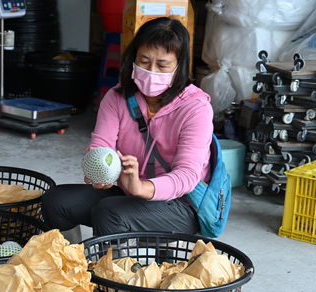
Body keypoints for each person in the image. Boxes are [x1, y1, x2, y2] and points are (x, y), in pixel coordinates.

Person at [42, 17, 212, 237]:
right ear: (133, 58)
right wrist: (99, 171)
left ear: (179, 67)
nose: (151, 71)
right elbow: (100, 145)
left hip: (179, 205)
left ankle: (112, 270)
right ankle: (70, 263)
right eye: (143, 61)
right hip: (126, 191)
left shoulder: (196, 108)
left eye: (162, 65)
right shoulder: (116, 97)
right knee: (56, 200)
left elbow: (187, 175)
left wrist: (142, 188)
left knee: (109, 213)